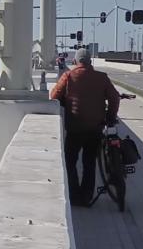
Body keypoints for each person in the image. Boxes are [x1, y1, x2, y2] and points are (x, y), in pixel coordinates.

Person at [50, 47, 121, 205]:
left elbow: (53, 95)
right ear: (90, 62)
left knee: (70, 161)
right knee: (89, 162)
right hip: (95, 128)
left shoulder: (68, 76)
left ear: (75, 61)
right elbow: (115, 98)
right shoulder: (102, 77)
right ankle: (87, 196)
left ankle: (74, 195)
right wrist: (110, 116)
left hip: (75, 127)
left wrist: (65, 101)